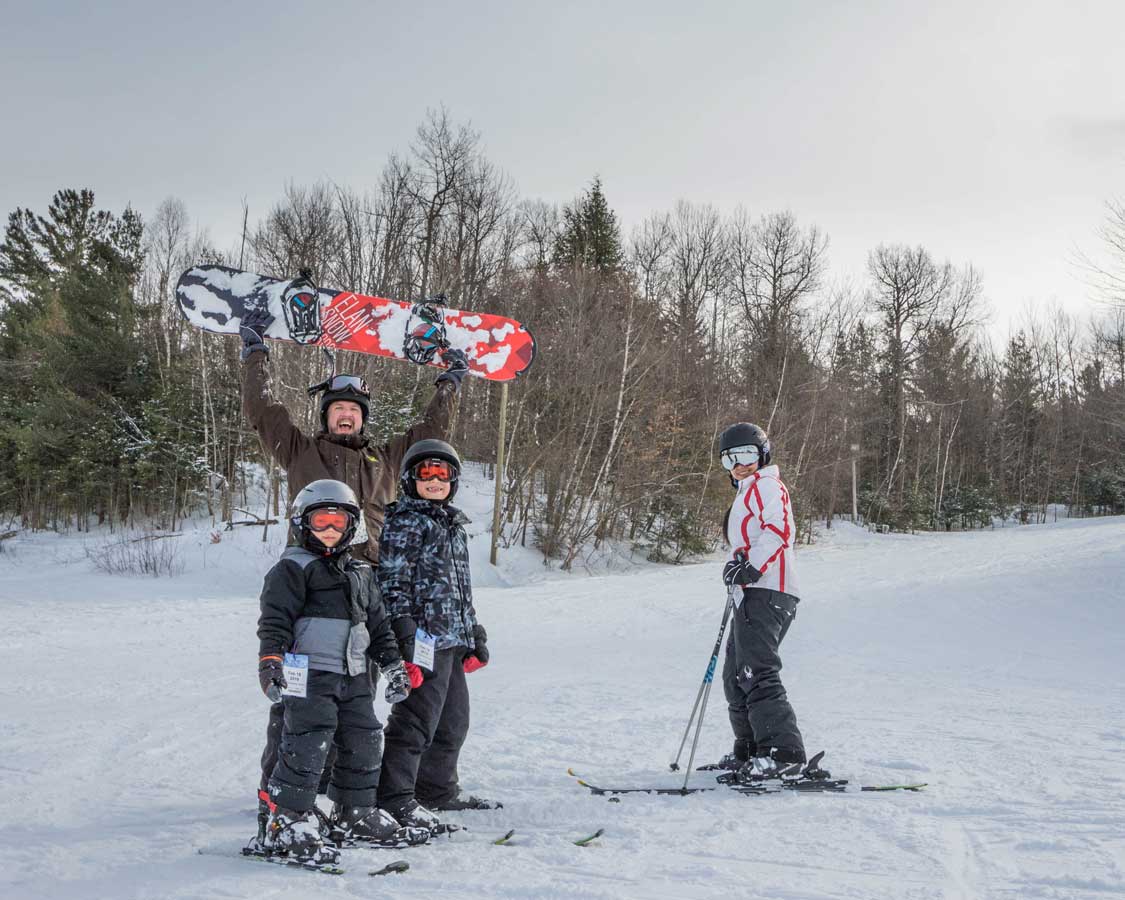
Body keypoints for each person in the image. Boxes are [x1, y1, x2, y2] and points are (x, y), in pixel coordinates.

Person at [239, 306, 469, 838]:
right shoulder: (300, 451)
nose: (347, 416)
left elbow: (430, 431)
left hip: (369, 589)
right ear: (326, 415)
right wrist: (255, 352)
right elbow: (261, 411)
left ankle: (346, 799)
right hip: (313, 585)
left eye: (355, 410)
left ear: (364, 417)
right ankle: (280, 793)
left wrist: (450, 382)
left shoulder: (385, 461)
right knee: (299, 700)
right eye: (338, 408)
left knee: (355, 700)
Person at [256, 479, 430, 861]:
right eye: (321, 522)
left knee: (365, 738)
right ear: (303, 524)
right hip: (308, 673)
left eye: (339, 522)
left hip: (352, 675)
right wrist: (271, 662)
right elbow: (274, 623)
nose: (331, 531)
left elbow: (380, 630)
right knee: (307, 741)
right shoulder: (292, 569)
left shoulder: (362, 574)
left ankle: (355, 811)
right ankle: (286, 819)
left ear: (352, 526)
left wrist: (394, 668)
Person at [375, 439, 495, 831]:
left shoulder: (452, 525)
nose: (435, 479)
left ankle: (437, 790)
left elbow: (461, 587)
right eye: (426, 472)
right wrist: (406, 638)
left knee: (453, 722)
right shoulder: (405, 521)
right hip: (423, 641)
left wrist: (474, 634)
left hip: (452, 640)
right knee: (415, 722)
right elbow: (392, 584)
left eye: (443, 473)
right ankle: (395, 797)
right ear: (411, 479)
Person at [715, 422, 827, 782]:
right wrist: (736, 567)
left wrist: (750, 567)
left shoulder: (766, 485)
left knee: (756, 671)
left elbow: (779, 530)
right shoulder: (746, 493)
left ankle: (783, 753)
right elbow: (749, 541)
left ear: (762, 455)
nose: (739, 464)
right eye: (729, 459)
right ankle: (751, 750)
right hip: (752, 591)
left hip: (769, 590)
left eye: (746, 455)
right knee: (736, 675)